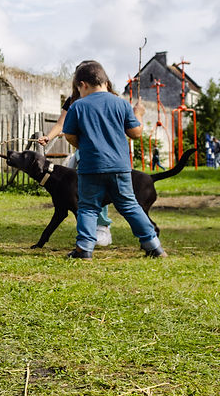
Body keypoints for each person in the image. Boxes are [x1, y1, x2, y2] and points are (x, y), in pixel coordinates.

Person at [61, 61, 167, 259]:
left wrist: (83, 145)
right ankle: (154, 246)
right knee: (129, 205)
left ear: (82, 85)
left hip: (91, 167)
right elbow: (135, 133)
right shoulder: (121, 104)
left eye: (78, 88)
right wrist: (139, 114)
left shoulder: (78, 106)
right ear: (104, 81)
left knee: (88, 207)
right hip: (120, 167)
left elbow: (68, 134)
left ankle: (84, 249)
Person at [38, 78, 114, 246]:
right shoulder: (73, 99)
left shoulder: (106, 97)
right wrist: (48, 137)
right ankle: (83, 226)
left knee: (99, 187)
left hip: (102, 153)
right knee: (71, 184)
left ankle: (102, 228)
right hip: (81, 151)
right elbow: (61, 123)